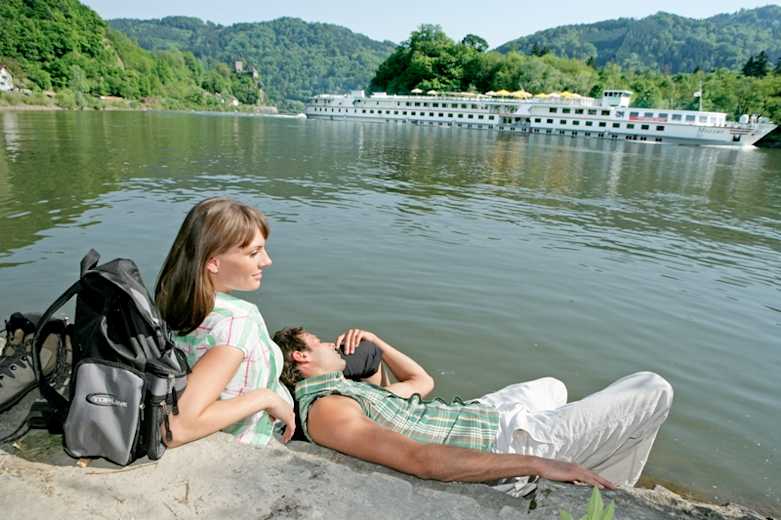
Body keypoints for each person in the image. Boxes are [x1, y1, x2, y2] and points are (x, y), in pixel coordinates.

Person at [274, 326, 673, 493]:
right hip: (503, 441)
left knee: (554, 386)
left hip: (483, 413)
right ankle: (610, 491)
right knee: (653, 389)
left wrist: (376, 341)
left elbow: (422, 382)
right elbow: (420, 460)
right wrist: (538, 463)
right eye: (320, 342)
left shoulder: (345, 391)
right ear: (301, 356)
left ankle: (582, 457)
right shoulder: (327, 409)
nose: (332, 344)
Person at [154, 197, 297, 448]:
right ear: (213, 262)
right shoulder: (236, 321)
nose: (267, 261)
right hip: (248, 442)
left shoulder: (173, 302)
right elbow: (176, 428)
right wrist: (265, 398)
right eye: (254, 253)